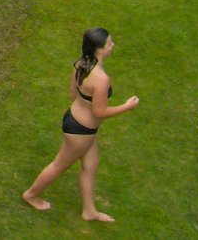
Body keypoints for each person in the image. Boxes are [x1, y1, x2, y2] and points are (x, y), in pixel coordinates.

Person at [23, 28, 139, 221]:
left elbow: (73, 93)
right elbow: (99, 112)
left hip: (76, 120)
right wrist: (127, 107)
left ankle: (89, 211)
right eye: (109, 43)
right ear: (99, 49)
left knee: (90, 164)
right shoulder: (101, 79)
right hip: (81, 131)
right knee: (59, 164)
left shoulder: (81, 64)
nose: (113, 46)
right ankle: (31, 195)